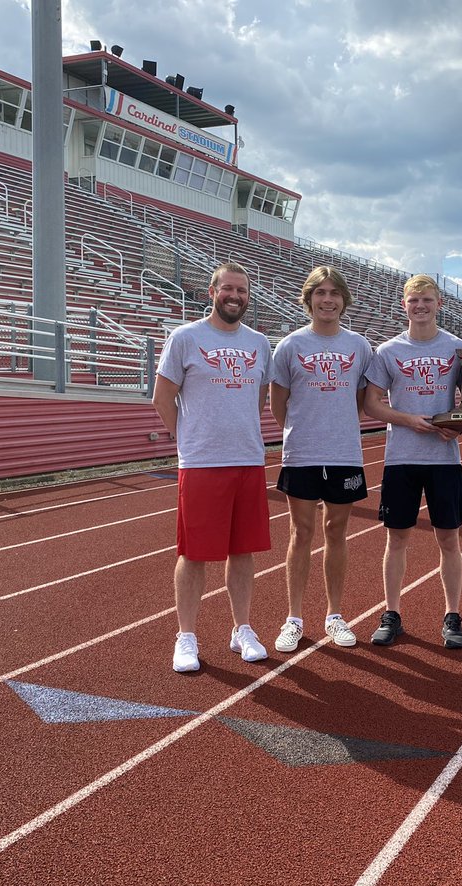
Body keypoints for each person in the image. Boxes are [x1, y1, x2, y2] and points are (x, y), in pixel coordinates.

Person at [153, 262, 274, 672]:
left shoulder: (259, 342)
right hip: (203, 463)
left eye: (241, 290)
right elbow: (162, 397)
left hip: (248, 459)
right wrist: (187, 439)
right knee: (194, 554)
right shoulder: (185, 338)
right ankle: (186, 636)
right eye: (227, 289)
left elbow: (258, 400)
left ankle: (243, 629)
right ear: (211, 291)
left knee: (242, 551)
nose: (234, 296)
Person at [362, 275, 462, 649]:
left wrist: (457, 424)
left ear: (439, 303)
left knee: (449, 540)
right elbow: (372, 402)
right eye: (413, 300)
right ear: (404, 305)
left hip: (444, 459)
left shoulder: (459, 348)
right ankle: (391, 614)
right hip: (401, 459)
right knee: (396, 539)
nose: (420, 306)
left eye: (426, 300)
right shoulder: (387, 350)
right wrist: (409, 419)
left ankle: (452, 616)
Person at [269, 266, 373, 652]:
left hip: (345, 452)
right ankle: (294, 618)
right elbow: (278, 405)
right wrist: (306, 428)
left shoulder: (360, 346)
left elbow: (361, 403)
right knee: (301, 533)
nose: (327, 299)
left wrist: (333, 426)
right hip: (302, 453)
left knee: (336, 532)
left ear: (344, 300)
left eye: (334, 292)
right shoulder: (290, 346)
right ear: (308, 298)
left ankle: (334, 615)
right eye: (320, 292)